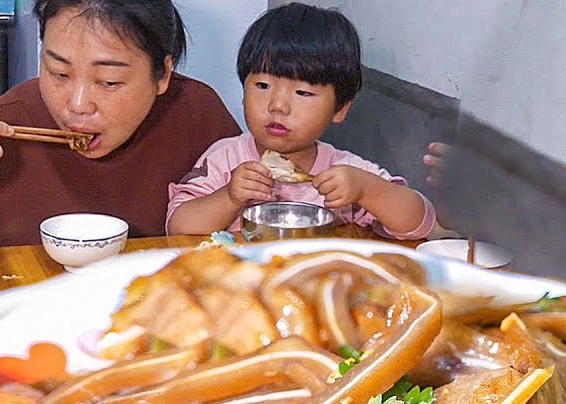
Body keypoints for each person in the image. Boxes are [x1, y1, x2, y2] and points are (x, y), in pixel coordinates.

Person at [0, 0, 239, 250]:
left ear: (163, 75)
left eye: (109, 82)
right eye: (59, 72)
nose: (77, 104)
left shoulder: (197, 114)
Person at [166, 3, 434, 240]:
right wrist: (229, 197)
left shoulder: (344, 170)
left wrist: (366, 190)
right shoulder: (225, 159)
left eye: (303, 92)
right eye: (262, 85)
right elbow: (177, 228)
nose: (278, 105)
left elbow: (418, 224)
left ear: (340, 108)